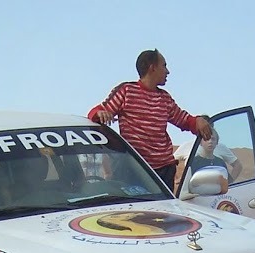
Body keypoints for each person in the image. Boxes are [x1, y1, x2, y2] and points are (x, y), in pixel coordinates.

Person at [89, 49, 212, 190]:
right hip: (134, 169)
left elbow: (183, 120)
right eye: (164, 66)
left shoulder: (164, 98)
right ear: (152, 68)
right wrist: (100, 115)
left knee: (163, 210)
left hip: (163, 171)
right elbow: (97, 111)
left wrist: (198, 121)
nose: (167, 71)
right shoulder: (126, 91)